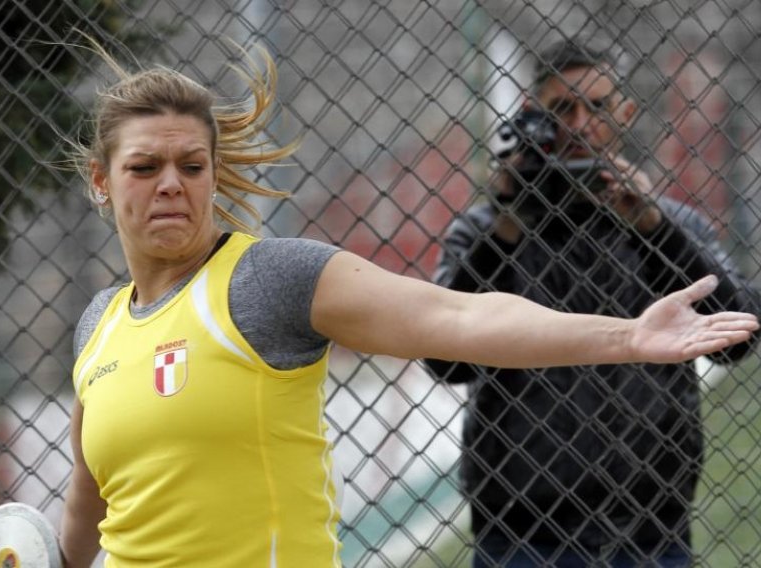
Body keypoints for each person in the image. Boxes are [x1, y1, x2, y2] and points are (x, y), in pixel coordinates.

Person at [58, 38, 759, 568]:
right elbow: (92, 494)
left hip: (646, 522)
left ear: (215, 175)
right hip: (521, 524)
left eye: (192, 166)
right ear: (100, 180)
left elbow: (457, 317)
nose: (171, 184)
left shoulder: (270, 278)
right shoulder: (99, 324)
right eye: (144, 167)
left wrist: (626, 336)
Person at [424, 38, 761, 567]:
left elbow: (735, 339)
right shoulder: (487, 227)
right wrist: (508, 224)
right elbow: (446, 361)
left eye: (598, 107)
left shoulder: (671, 221)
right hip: (521, 530)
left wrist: (653, 228)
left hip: (651, 528)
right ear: (533, 117)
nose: (580, 125)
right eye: (562, 109)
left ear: (625, 114)